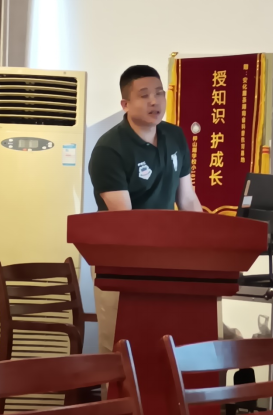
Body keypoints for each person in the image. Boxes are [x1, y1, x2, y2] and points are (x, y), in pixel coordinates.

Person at [88, 65, 202, 377]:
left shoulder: (175, 136)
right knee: (120, 347)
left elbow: (188, 199)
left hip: (166, 260)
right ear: (125, 104)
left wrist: (206, 245)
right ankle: (117, 400)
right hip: (119, 261)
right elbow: (125, 220)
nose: (155, 101)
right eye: (144, 95)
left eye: (159, 93)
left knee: (164, 346)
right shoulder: (110, 149)